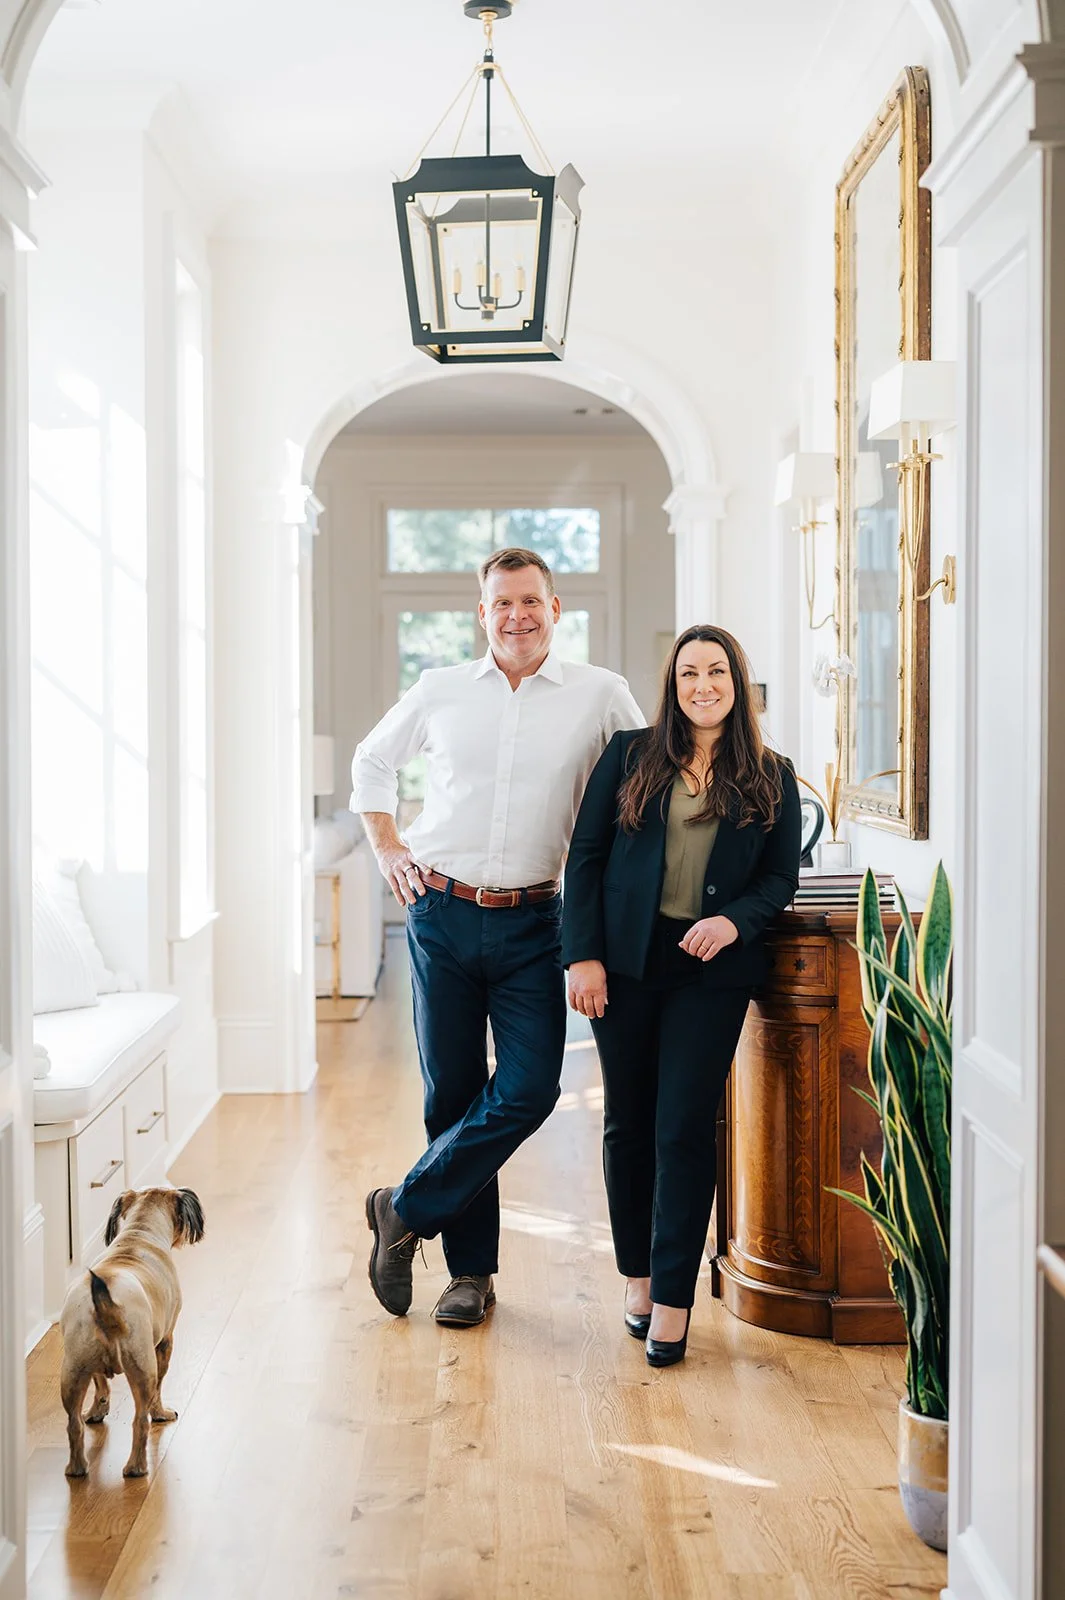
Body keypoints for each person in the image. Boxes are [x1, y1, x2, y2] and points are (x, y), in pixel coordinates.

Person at [353, 546, 644, 1328]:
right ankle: (469, 1277)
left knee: (526, 1090)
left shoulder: (600, 695)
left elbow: (646, 782)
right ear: (481, 614)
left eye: (530, 602)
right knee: (450, 1095)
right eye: (501, 604)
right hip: (439, 914)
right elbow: (372, 762)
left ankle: (402, 1205)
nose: (516, 616)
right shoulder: (440, 689)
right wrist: (388, 848)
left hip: (536, 921)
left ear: (555, 609)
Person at [562, 624, 800, 1367]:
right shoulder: (629, 755)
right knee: (628, 1125)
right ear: (672, 683)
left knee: (683, 1130)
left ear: (736, 683)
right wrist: (584, 958)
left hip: (710, 974)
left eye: (717, 673)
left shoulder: (770, 771)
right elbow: (586, 858)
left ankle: (672, 1299)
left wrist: (733, 922)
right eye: (690, 673)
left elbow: (778, 879)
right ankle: (635, 1276)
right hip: (625, 967)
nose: (703, 686)